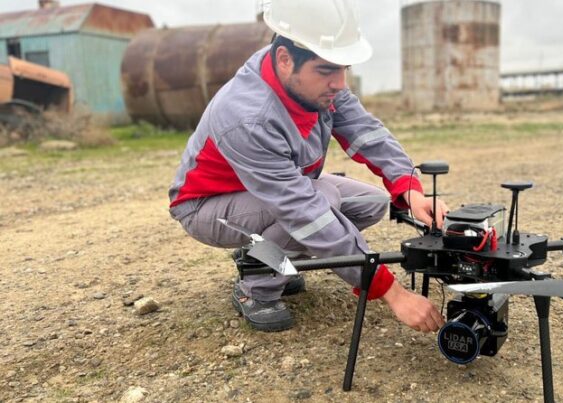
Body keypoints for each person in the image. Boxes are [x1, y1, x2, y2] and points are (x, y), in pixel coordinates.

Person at [168, 0, 447, 333]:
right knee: (321, 201)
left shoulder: (310, 80)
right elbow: (303, 210)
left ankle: (268, 261)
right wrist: (390, 290)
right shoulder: (248, 117)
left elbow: (366, 131)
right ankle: (254, 288)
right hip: (207, 205)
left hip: (272, 189)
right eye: (328, 70)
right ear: (285, 60)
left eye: (343, 69)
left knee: (371, 204)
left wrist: (410, 189)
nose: (340, 83)